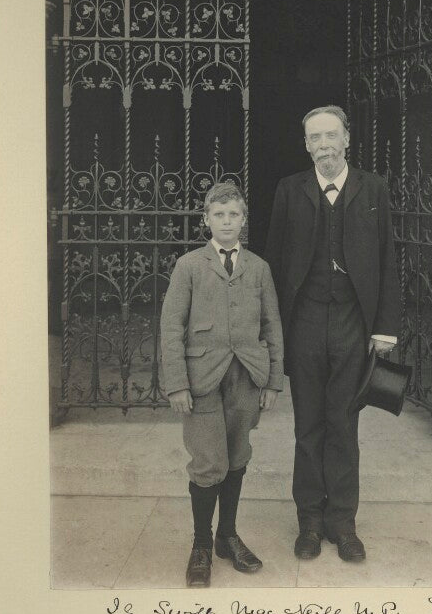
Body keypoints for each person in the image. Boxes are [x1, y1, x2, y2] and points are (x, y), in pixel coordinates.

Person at [265, 105, 400, 563]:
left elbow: (387, 262)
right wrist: (274, 331)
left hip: (351, 323)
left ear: (347, 140)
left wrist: (385, 329)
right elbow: (276, 264)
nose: (323, 145)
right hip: (303, 321)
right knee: (308, 425)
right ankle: (308, 521)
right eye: (314, 138)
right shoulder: (289, 190)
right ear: (306, 145)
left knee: (343, 423)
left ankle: (343, 522)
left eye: (331, 136)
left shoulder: (373, 188)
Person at [161, 182, 284, 587]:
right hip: (202, 380)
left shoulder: (259, 267)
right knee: (208, 462)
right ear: (206, 220)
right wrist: (177, 383)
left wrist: (272, 380)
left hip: (246, 376)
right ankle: (200, 544)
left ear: (244, 221)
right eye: (219, 215)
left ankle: (227, 536)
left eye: (234, 215)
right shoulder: (189, 266)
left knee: (236, 456)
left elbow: (271, 325)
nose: (227, 222)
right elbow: (171, 327)